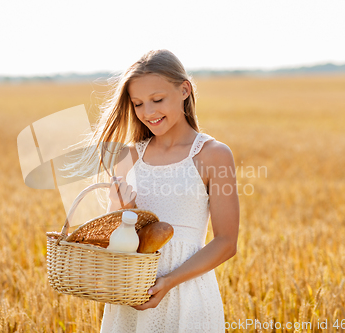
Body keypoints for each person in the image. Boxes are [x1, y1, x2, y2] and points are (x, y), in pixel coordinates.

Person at [78, 49, 240, 332]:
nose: (148, 112)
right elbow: (112, 244)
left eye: (158, 100)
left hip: (188, 295)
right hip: (132, 296)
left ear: (184, 90)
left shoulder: (214, 155)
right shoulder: (126, 158)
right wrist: (122, 210)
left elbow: (226, 242)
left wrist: (168, 283)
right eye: (138, 104)